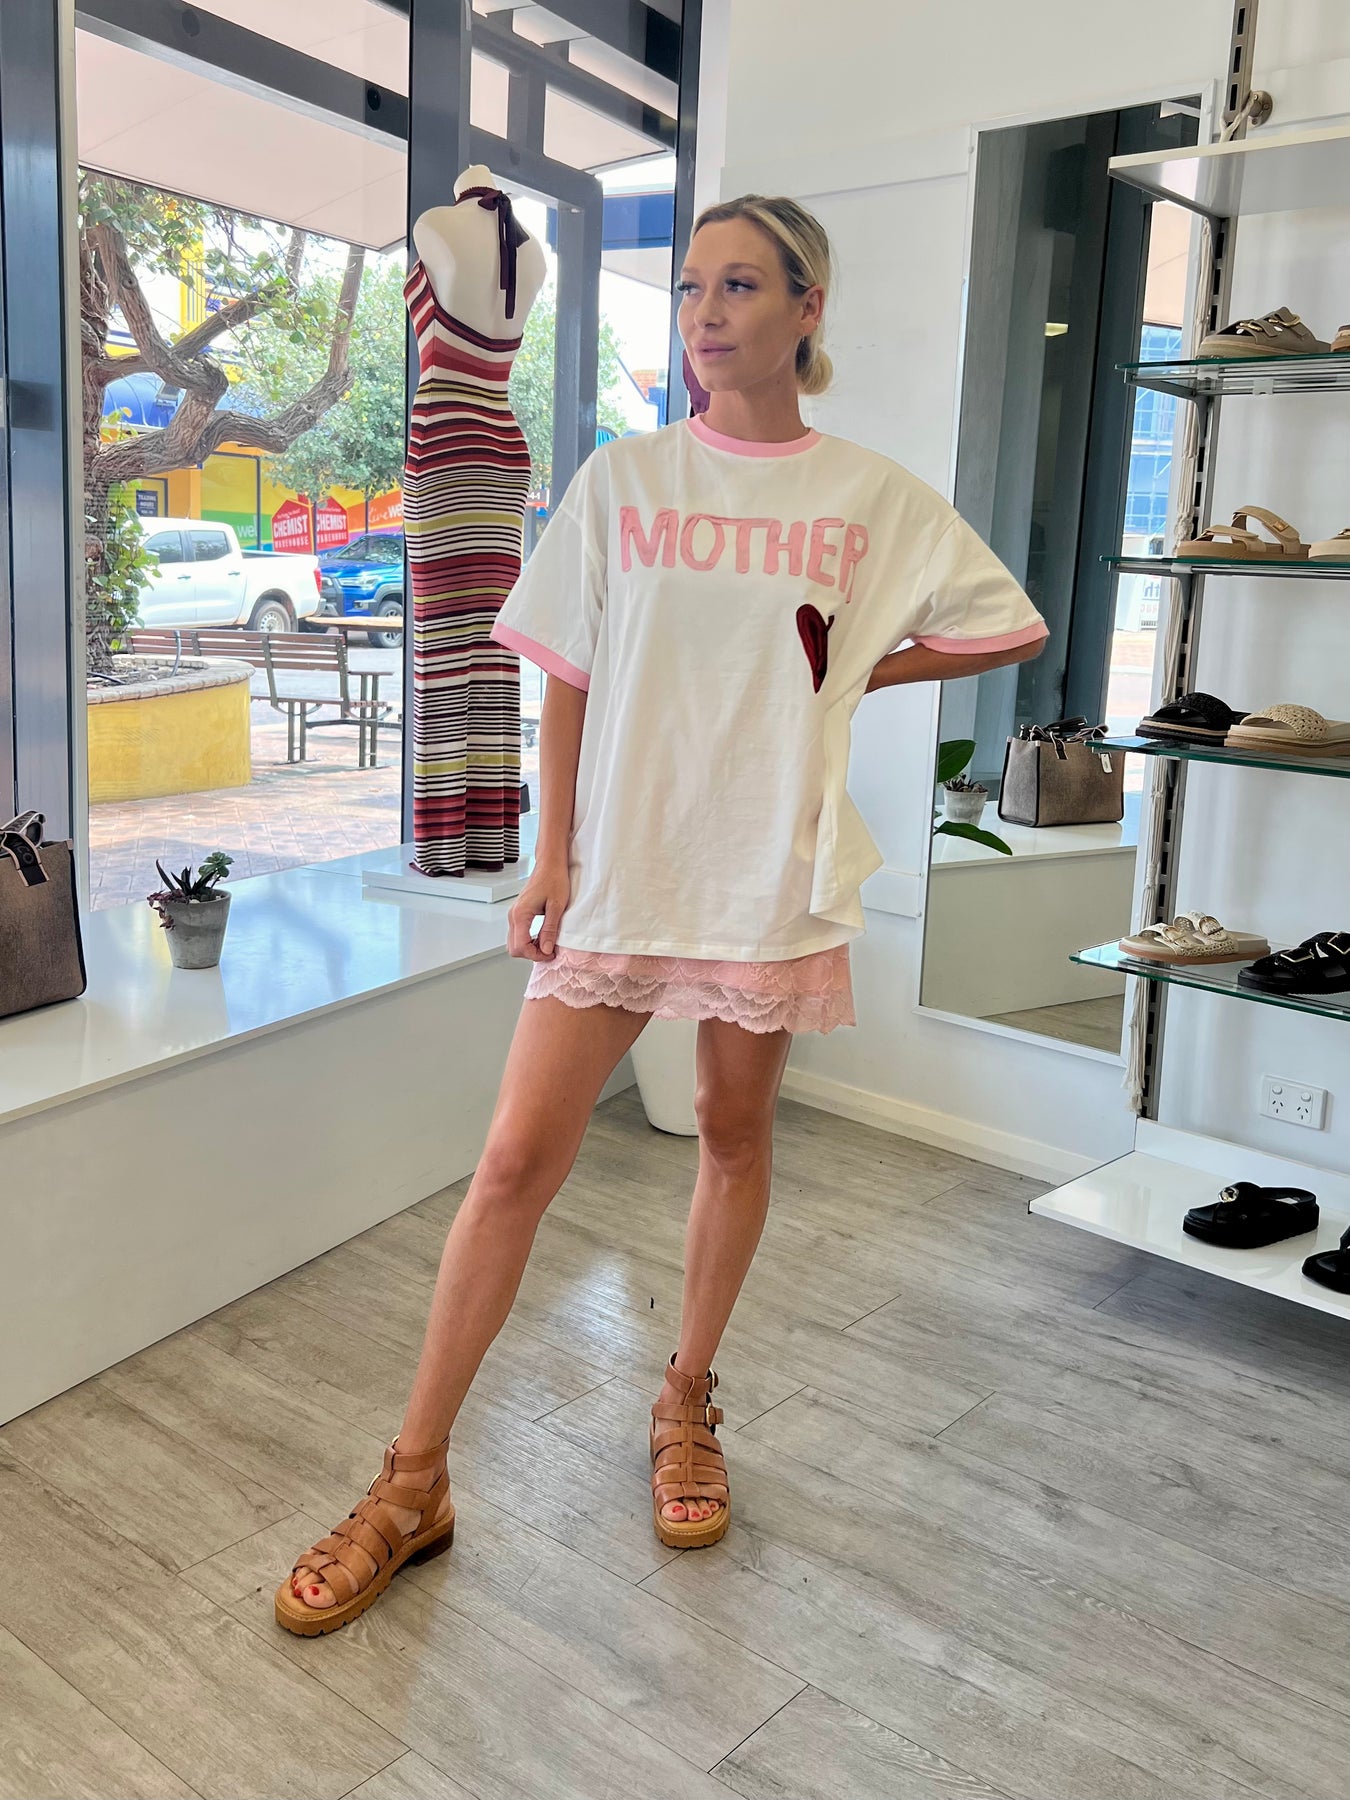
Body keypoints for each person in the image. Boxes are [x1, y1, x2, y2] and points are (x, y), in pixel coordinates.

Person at [275, 194, 1048, 1635]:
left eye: (739, 285)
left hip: (765, 869)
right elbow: (566, 672)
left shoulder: (864, 498)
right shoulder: (624, 479)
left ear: (807, 307)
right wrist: (550, 854)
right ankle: (412, 1479)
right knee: (514, 1162)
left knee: (733, 1134)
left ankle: (685, 1399)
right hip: (625, 867)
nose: (703, 313)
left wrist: (853, 669)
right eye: (690, 286)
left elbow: (1005, 622)